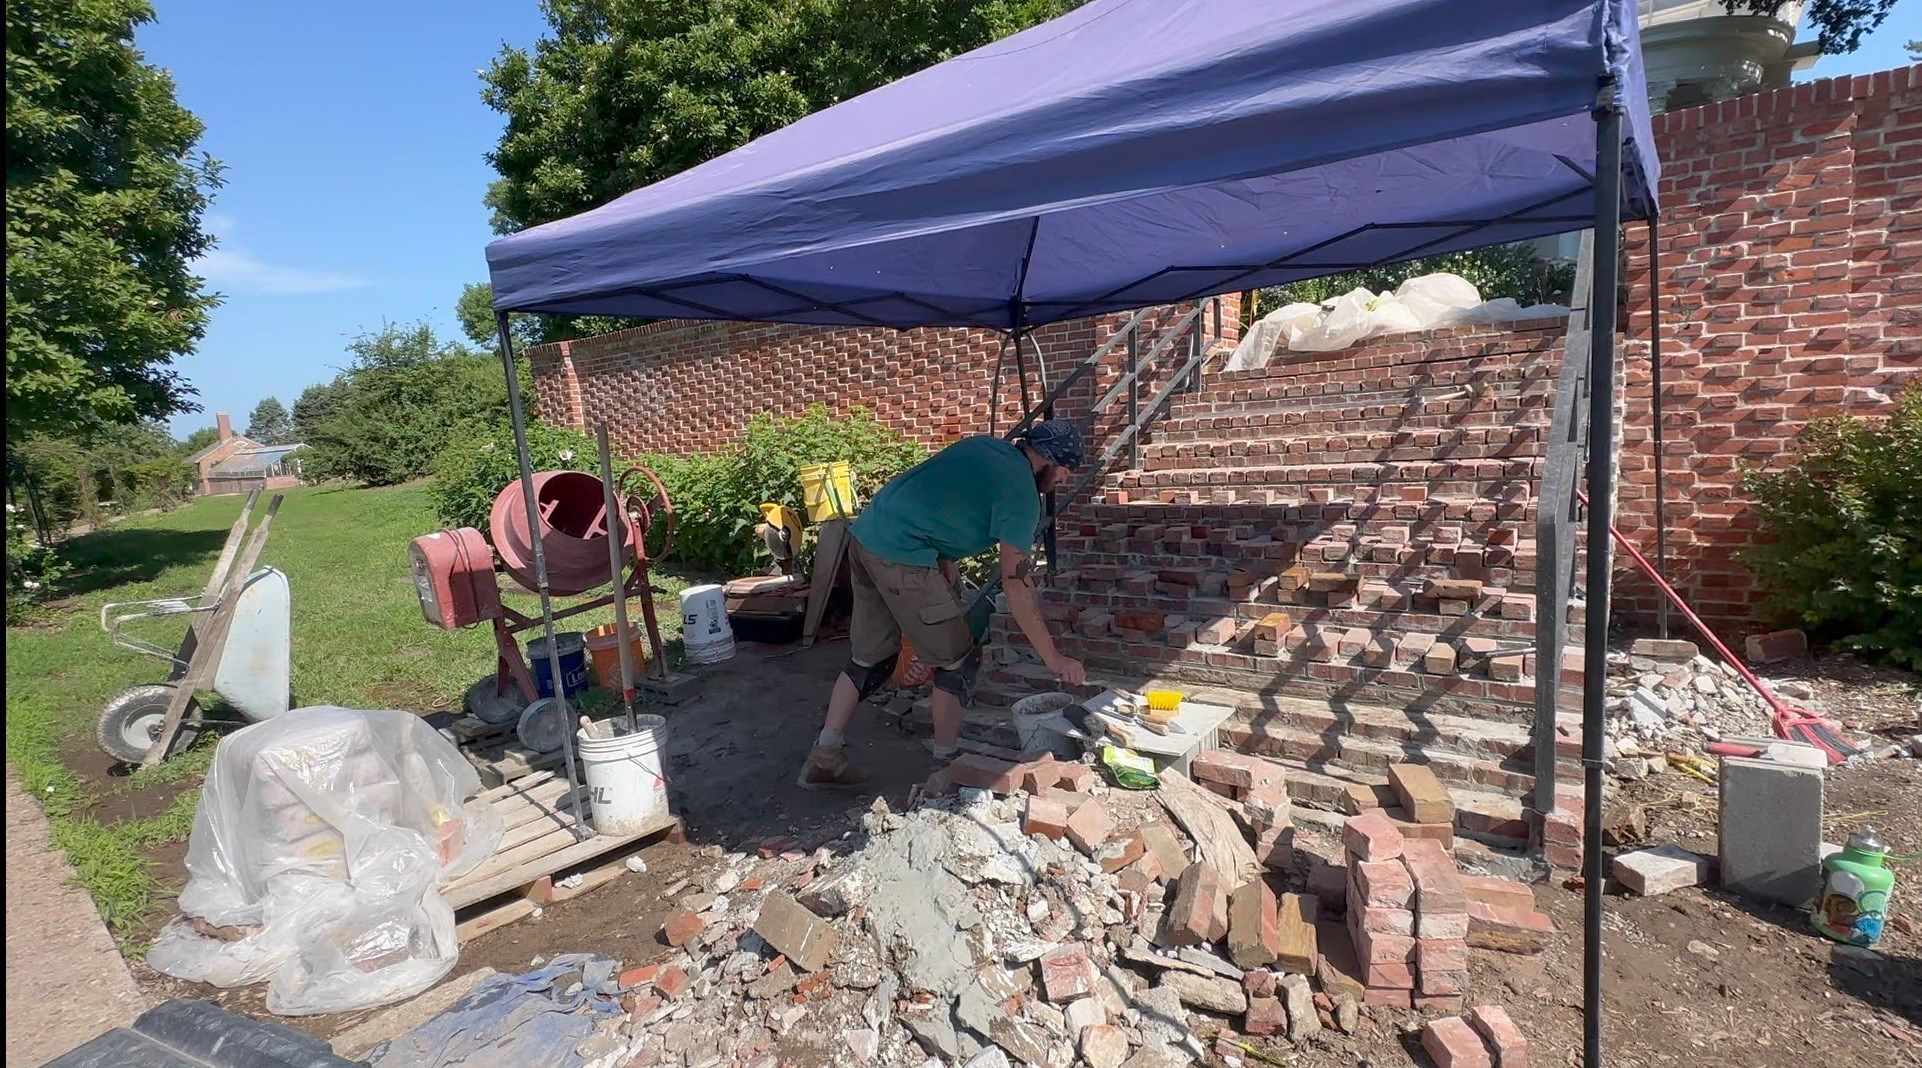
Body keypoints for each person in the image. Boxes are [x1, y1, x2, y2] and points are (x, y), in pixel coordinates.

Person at [797, 419, 1090, 790]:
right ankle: (946, 769)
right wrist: (1053, 658)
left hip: (868, 535)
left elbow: (939, 499)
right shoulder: (1022, 494)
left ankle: (824, 756)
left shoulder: (986, 447)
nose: (1063, 479)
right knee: (958, 659)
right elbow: (1017, 584)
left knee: (870, 659)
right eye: (1064, 470)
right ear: (1049, 459)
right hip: (903, 554)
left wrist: (945, 562)